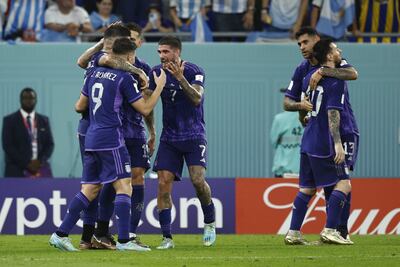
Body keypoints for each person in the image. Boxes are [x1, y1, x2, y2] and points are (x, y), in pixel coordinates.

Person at [49, 37, 166, 252]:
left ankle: (60, 234)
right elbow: (145, 109)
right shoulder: (124, 78)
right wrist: (159, 87)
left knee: (91, 188)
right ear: (130, 56)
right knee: (124, 185)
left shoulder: (93, 73)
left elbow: (79, 106)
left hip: (91, 136)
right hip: (111, 138)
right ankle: (124, 240)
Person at [283, 27, 358, 243]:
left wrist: (323, 71)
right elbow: (331, 111)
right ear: (328, 53)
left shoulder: (317, 75)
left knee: (307, 187)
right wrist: (337, 143)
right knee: (343, 182)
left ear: (317, 42)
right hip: (327, 136)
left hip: (310, 137)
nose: (302, 47)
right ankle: (332, 229)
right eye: (299, 43)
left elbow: (353, 73)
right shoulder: (325, 78)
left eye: (305, 42)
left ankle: (294, 232)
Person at [88, 22, 156, 251]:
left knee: (136, 178)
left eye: (134, 38)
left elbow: (147, 105)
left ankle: (130, 233)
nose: (131, 41)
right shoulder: (109, 61)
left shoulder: (145, 67)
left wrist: (152, 131)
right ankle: (102, 232)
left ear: (139, 42)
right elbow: (85, 62)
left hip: (135, 131)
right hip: (113, 131)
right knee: (111, 182)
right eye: (128, 37)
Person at [148, 36, 216, 249]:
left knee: (197, 181)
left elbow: (197, 98)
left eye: (166, 52)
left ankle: (209, 222)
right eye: (159, 52)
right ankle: (167, 238)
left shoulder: (195, 70)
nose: (161, 56)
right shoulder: (156, 72)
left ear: (177, 52)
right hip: (169, 138)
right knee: (162, 183)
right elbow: (147, 102)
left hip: (194, 135)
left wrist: (180, 79)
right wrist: (151, 131)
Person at [2, 88, 54, 178]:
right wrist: (27, 164)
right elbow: (8, 146)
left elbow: (50, 144)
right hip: (16, 171)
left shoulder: (44, 120)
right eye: (25, 98)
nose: (28, 101)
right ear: (20, 100)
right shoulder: (9, 120)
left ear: (36, 100)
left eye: (31, 98)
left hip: (40, 169)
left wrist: (39, 162)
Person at [270, 88, 303, 178]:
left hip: (283, 170)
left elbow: (274, 142)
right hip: (305, 171)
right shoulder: (310, 118)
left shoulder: (279, 119)